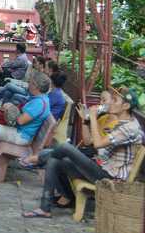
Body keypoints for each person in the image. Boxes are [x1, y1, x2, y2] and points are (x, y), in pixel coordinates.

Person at [22, 87, 143, 219]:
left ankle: (36, 160)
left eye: (114, 100)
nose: (109, 103)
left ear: (126, 106)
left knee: (65, 147)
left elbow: (97, 144)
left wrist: (92, 117)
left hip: (110, 177)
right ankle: (45, 208)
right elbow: (90, 143)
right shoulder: (122, 123)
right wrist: (88, 120)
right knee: (55, 161)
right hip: (101, 166)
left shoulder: (129, 128)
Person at [0, 70, 52, 175]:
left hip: (22, 136)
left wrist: (9, 108)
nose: (28, 84)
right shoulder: (38, 98)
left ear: (35, 86)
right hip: (18, 130)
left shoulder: (39, 103)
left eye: (30, 82)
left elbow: (20, 121)